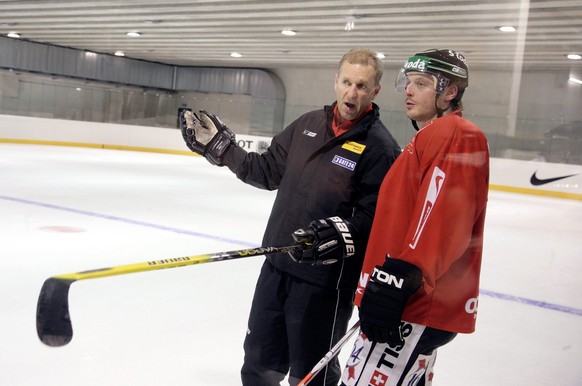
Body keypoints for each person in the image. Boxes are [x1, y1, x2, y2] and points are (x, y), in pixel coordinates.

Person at [178, 48, 401, 386]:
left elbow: (376, 218)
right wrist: (222, 150)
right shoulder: (308, 125)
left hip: (323, 285)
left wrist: (344, 233)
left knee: (311, 374)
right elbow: (265, 170)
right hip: (276, 265)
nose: (351, 93)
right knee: (258, 364)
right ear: (335, 81)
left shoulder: (380, 148)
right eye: (346, 82)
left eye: (361, 86)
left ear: (375, 91)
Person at [340, 49, 490, 386]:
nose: (409, 90)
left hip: (412, 305)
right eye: (408, 82)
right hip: (408, 301)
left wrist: (401, 277)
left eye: (421, 84)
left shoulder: (458, 134)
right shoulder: (428, 136)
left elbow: (444, 219)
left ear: (450, 92)